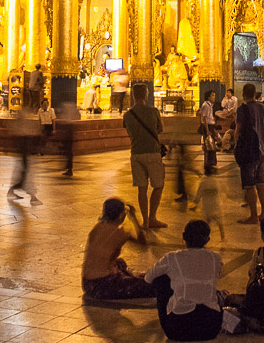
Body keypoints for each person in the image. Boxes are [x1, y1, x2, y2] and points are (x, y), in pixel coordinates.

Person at [144, 219, 223, 341]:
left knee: (160, 279)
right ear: (207, 240)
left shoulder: (172, 257)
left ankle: (172, 309)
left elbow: (148, 277)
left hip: (177, 329)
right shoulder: (216, 258)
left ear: (184, 237)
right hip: (210, 328)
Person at [82, 197, 153, 299]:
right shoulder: (119, 232)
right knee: (149, 286)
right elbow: (143, 243)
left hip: (87, 283)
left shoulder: (97, 227)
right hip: (102, 284)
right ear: (121, 214)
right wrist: (134, 218)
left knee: (120, 263)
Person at [122, 83, 167, 229]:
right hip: (153, 152)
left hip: (136, 153)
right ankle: (152, 217)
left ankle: (145, 221)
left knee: (142, 188)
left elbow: (128, 132)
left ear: (134, 95)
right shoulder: (153, 111)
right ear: (146, 94)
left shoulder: (128, 115)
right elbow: (160, 129)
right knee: (158, 185)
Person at [234, 82, 264, 225]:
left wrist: (236, 145)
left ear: (243, 94)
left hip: (249, 150)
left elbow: (238, 129)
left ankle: (253, 216)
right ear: (255, 93)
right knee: (261, 183)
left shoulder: (243, 109)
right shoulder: (262, 107)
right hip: (262, 149)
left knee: (249, 185)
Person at [7, 107, 41, 205]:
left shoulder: (22, 121)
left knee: (24, 171)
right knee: (25, 172)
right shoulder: (22, 121)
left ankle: (15, 190)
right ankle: (31, 195)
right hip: (23, 150)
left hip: (24, 150)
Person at [189, 172, 225, 242]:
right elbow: (222, 191)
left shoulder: (203, 182)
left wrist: (195, 204)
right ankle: (223, 237)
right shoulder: (216, 181)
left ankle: (205, 236)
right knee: (220, 222)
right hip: (216, 205)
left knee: (207, 222)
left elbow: (199, 194)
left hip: (206, 206)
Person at [58, 98, 81, 176]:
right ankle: (68, 167)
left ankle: (68, 167)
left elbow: (61, 116)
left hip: (67, 128)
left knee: (67, 149)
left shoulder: (64, 105)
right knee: (68, 149)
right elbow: (78, 116)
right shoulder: (73, 106)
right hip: (70, 128)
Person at [199, 89, 218, 175]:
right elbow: (204, 118)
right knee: (208, 145)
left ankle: (212, 162)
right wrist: (207, 130)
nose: (214, 97)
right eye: (212, 95)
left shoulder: (210, 105)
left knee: (212, 145)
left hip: (211, 126)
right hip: (207, 127)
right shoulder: (206, 105)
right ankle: (207, 164)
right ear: (208, 97)